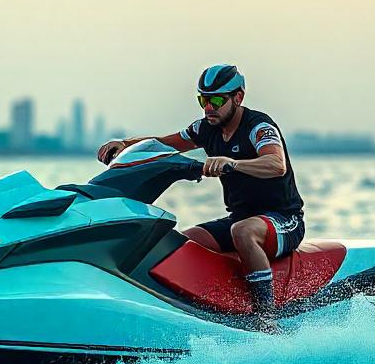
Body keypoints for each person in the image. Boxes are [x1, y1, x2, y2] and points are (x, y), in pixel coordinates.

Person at [96, 64, 305, 329]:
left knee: (242, 231)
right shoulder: (205, 128)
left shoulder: (258, 127)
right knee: (184, 241)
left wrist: (233, 163)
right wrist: (126, 144)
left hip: (284, 219)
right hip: (240, 217)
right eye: (202, 100)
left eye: (216, 100)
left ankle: (267, 319)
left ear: (238, 97)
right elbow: (165, 143)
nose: (208, 107)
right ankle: (206, 310)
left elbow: (277, 164)